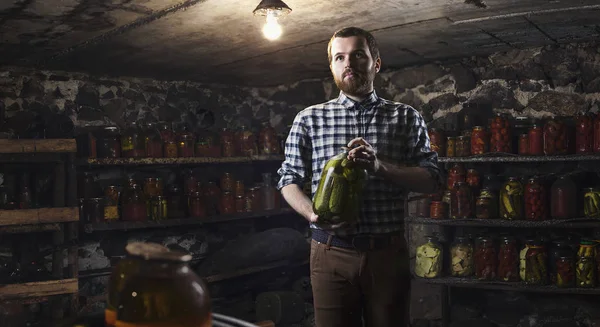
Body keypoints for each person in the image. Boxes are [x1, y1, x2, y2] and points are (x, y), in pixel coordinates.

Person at [276, 27, 442, 327]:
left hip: (386, 253)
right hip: (329, 252)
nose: (348, 63)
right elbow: (288, 179)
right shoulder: (308, 119)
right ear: (332, 66)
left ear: (376, 62)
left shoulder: (406, 117)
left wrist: (379, 166)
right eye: (339, 57)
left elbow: (431, 179)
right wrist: (312, 214)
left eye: (357, 55)